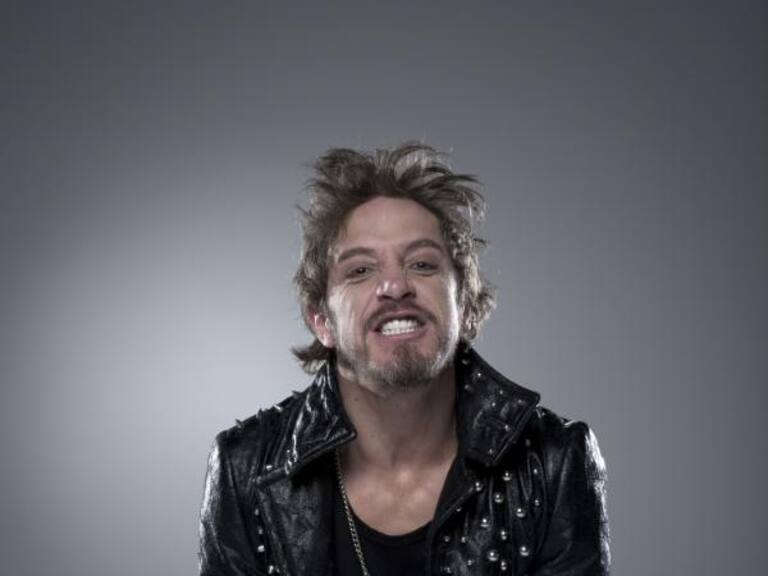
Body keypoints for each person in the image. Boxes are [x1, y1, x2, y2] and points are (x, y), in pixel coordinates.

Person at [198, 142, 610, 576]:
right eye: (360, 270)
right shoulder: (245, 470)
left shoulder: (553, 461)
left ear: (465, 303)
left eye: (422, 264)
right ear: (322, 321)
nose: (395, 286)